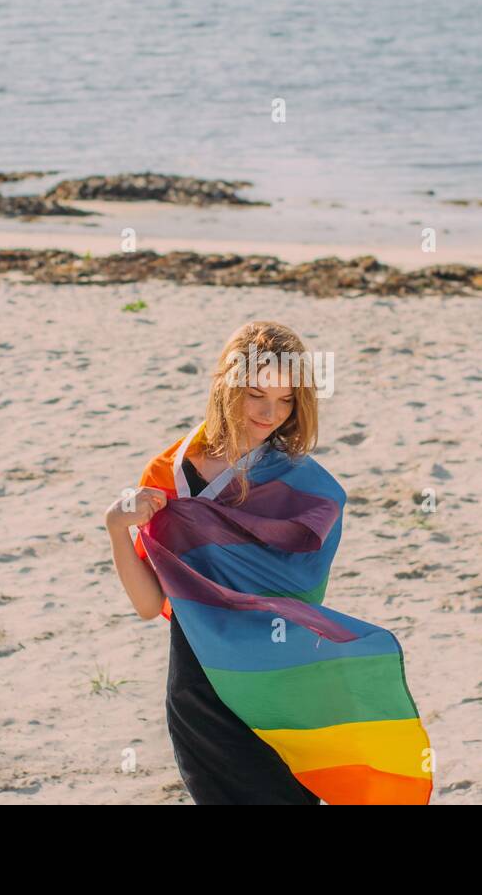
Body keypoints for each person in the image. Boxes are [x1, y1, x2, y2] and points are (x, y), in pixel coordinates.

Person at [104, 321, 325, 804]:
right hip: (197, 680)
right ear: (227, 385)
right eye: (256, 394)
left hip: (273, 668)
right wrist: (116, 527)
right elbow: (150, 605)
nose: (271, 414)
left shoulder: (299, 483)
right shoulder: (168, 474)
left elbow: (302, 591)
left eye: (286, 400)